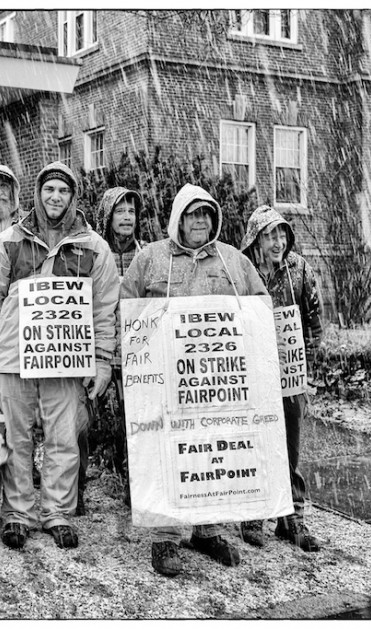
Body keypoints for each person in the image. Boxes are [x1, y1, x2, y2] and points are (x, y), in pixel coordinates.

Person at [121, 183, 268, 576]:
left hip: (215, 383)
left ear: (215, 219)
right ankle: (165, 538)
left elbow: (260, 305)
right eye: (192, 213)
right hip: (165, 381)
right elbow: (125, 306)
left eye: (206, 213)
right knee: (166, 455)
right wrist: (130, 359)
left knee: (212, 455)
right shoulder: (150, 259)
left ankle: (208, 529)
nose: (200, 220)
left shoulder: (232, 261)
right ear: (178, 219)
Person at [0, 161, 119, 550]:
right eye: (49, 189)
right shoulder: (10, 240)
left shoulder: (93, 246)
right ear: (37, 194)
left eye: (63, 191)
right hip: (13, 355)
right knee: (16, 438)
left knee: (63, 437)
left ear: (73, 197)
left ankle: (57, 512)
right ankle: (17, 513)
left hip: (66, 358)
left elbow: (104, 306)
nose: (55, 197)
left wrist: (103, 359)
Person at [239, 205, 323, 552]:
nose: (278, 242)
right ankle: (253, 515)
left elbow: (315, 322)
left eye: (282, 234)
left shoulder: (299, 269)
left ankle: (292, 517)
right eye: (270, 235)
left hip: (290, 374)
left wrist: (308, 368)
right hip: (253, 374)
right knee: (255, 442)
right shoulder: (243, 272)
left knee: (289, 445)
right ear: (256, 239)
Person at [91, 187, 150, 500]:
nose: (127, 217)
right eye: (120, 211)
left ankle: (134, 484)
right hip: (101, 349)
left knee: (135, 419)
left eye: (132, 211)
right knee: (96, 419)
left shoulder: (147, 255)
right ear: (108, 215)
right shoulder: (95, 253)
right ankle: (99, 474)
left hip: (135, 352)